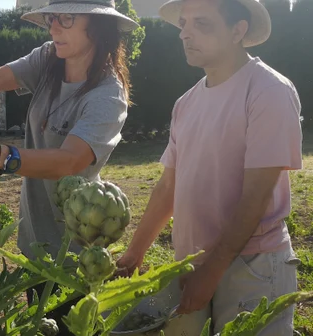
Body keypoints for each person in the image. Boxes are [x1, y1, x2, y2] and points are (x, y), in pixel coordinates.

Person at [0, 0, 138, 333]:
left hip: (76, 248)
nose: (54, 27)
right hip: (34, 239)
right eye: (52, 17)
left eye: (66, 18)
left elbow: (69, 161)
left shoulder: (107, 96)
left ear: (99, 26)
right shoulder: (50, 58)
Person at [115, 0, 303, 334]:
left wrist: (212, 271)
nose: (185, 34)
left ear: (238, 30)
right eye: (184, 23)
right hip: (189, 266)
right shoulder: (185, 104)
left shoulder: (268, 91)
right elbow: (168, 187)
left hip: (252, 266)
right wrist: (133, 255)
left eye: (202, 23)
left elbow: (255, 198)